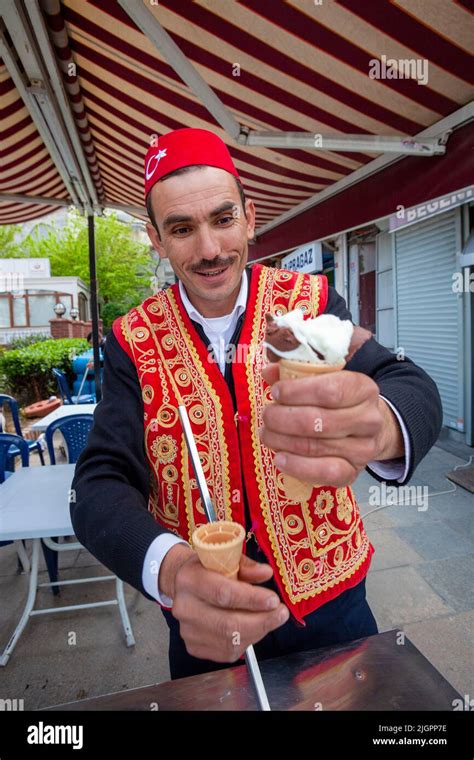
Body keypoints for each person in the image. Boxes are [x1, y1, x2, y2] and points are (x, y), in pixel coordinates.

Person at [71, 128, 442, 680]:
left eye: (223, 220)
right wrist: (171, 570)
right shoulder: (134, 339)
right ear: (156, 238)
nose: (210, 250)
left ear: (249, 215)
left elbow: (407, 383)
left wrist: (382, 425)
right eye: (181, 228)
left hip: (332, 604)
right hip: (206, 624)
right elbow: (98, 482)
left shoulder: (299, 309)